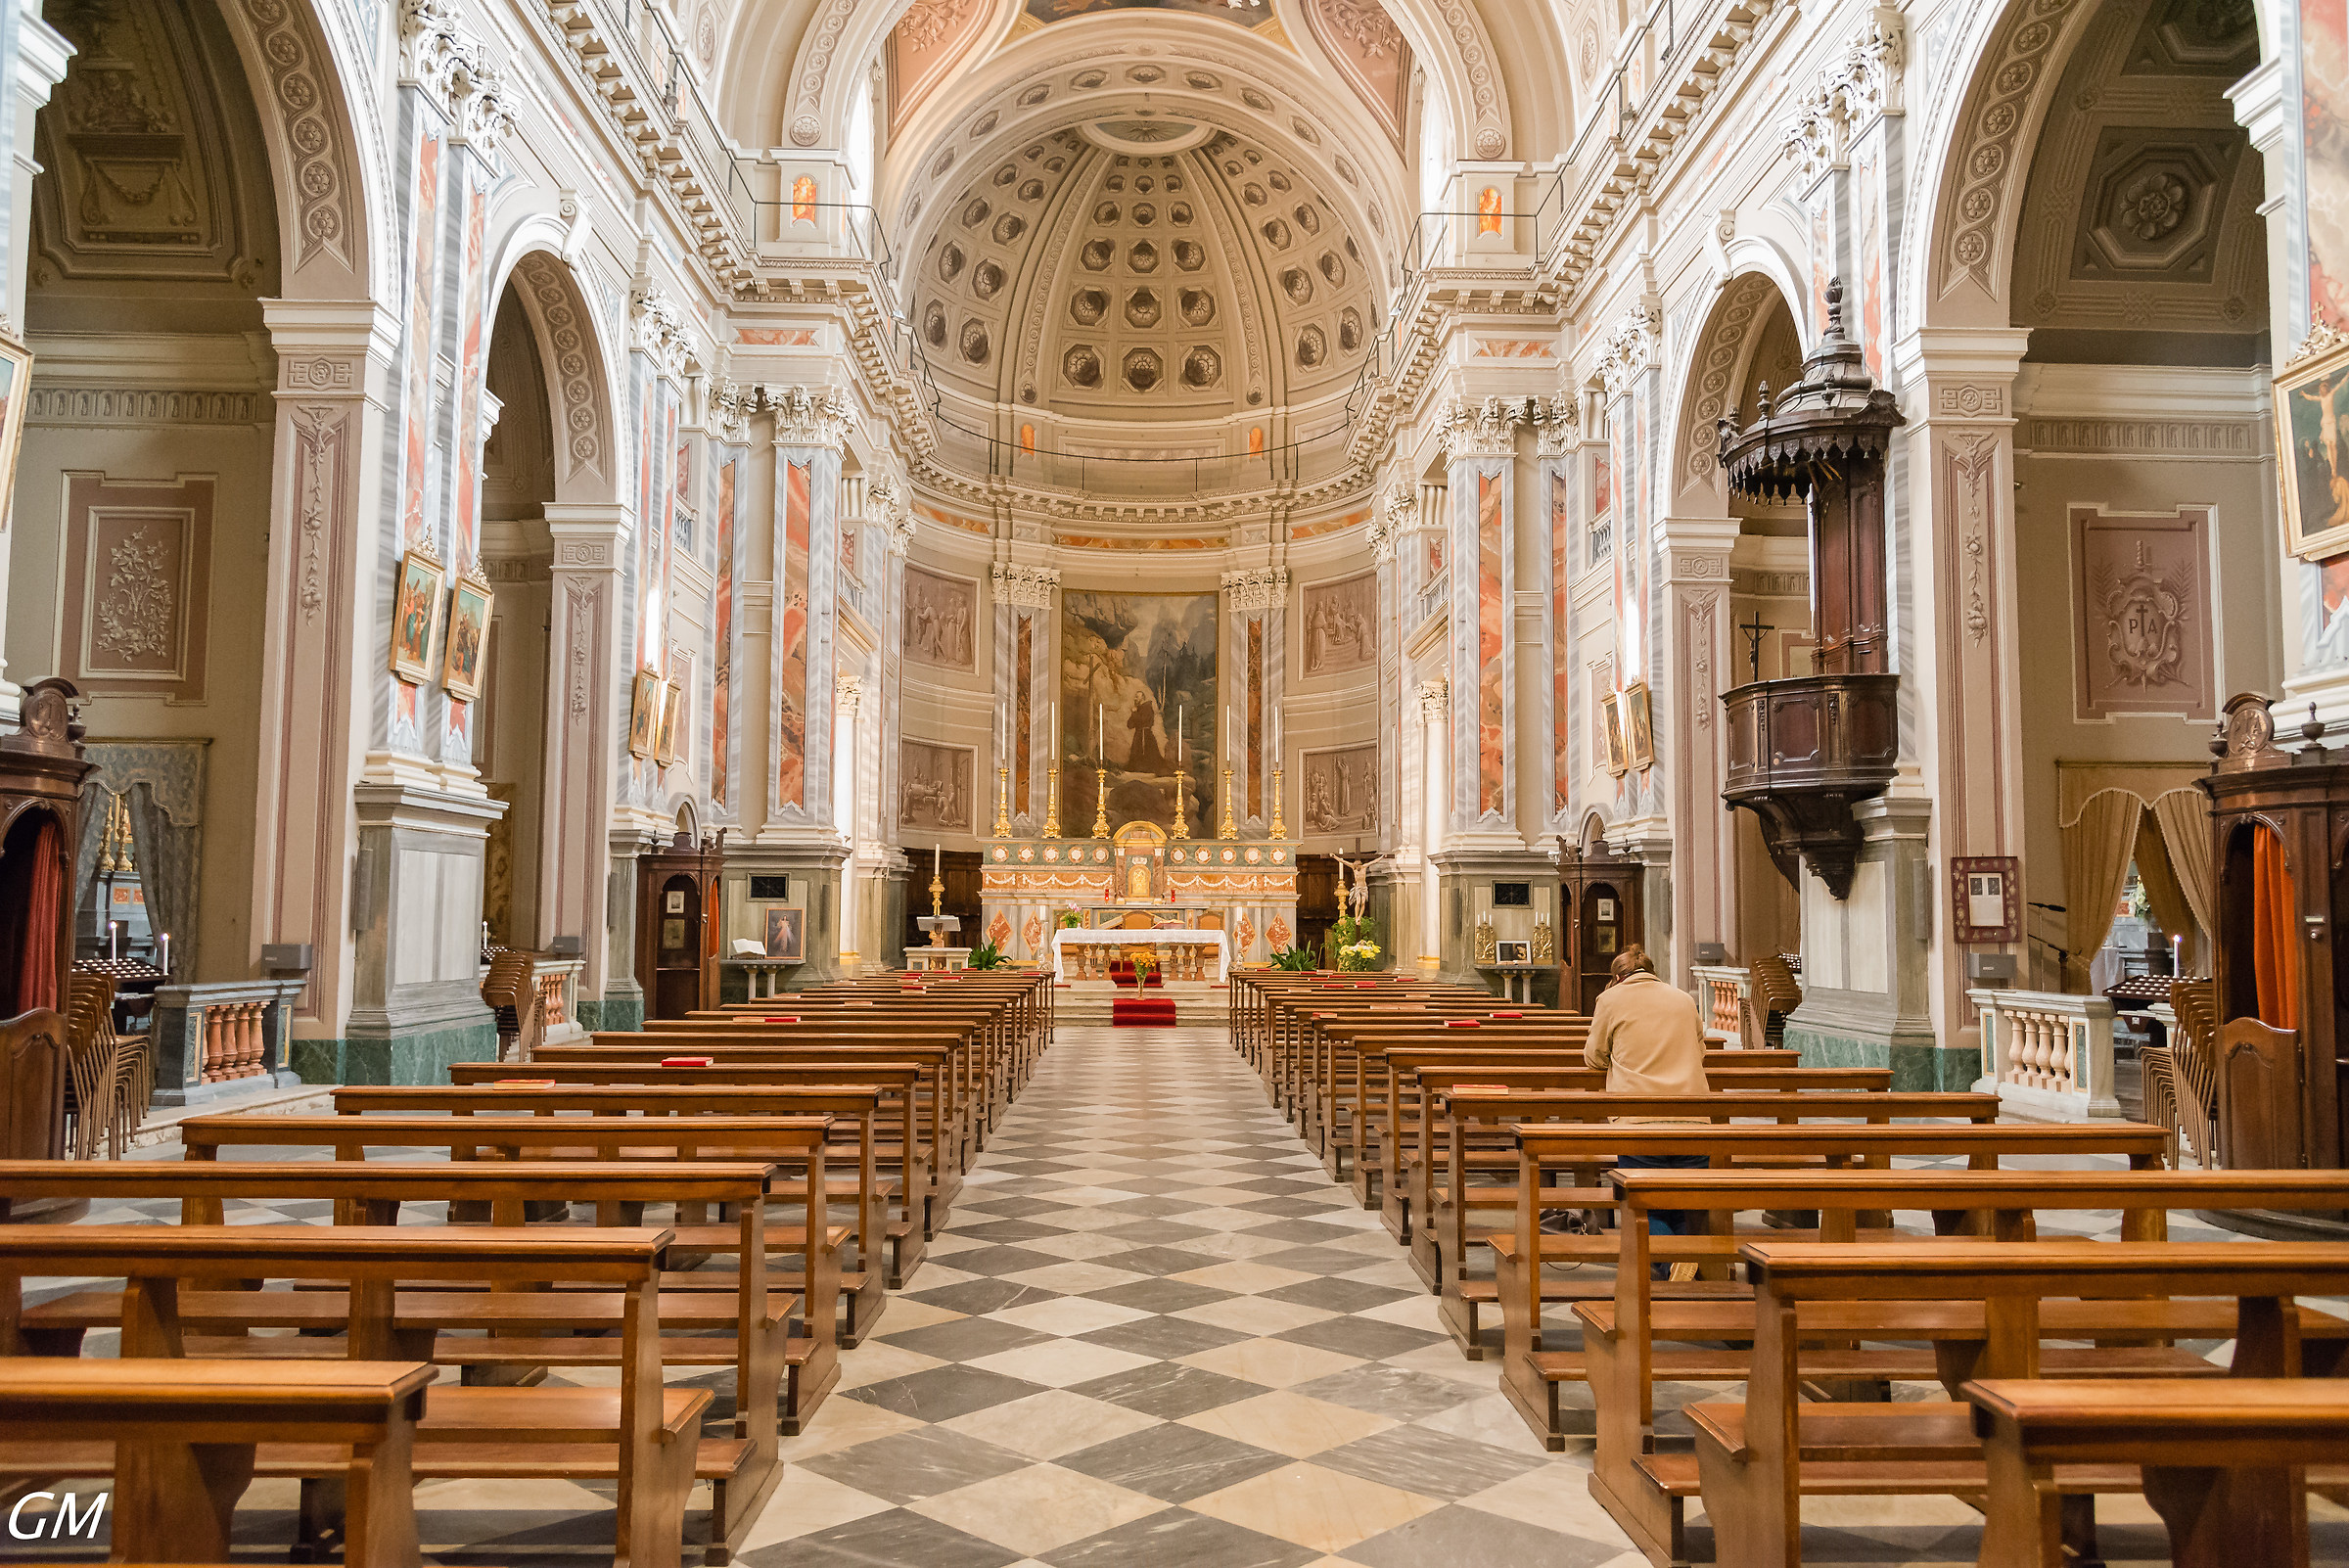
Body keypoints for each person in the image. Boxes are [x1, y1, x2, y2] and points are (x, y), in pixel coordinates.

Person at [1584, 945, 1710, 1279]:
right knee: (1684, 1202)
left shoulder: (1610, 1000)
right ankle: (1684, 1266)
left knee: (1644, 1202)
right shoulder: (1683, 998)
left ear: (1616, 977)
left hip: (1639, 1119)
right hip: (1693, 1119)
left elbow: (1594, 1056)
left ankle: (1670, 1263)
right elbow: (1700, 1050)